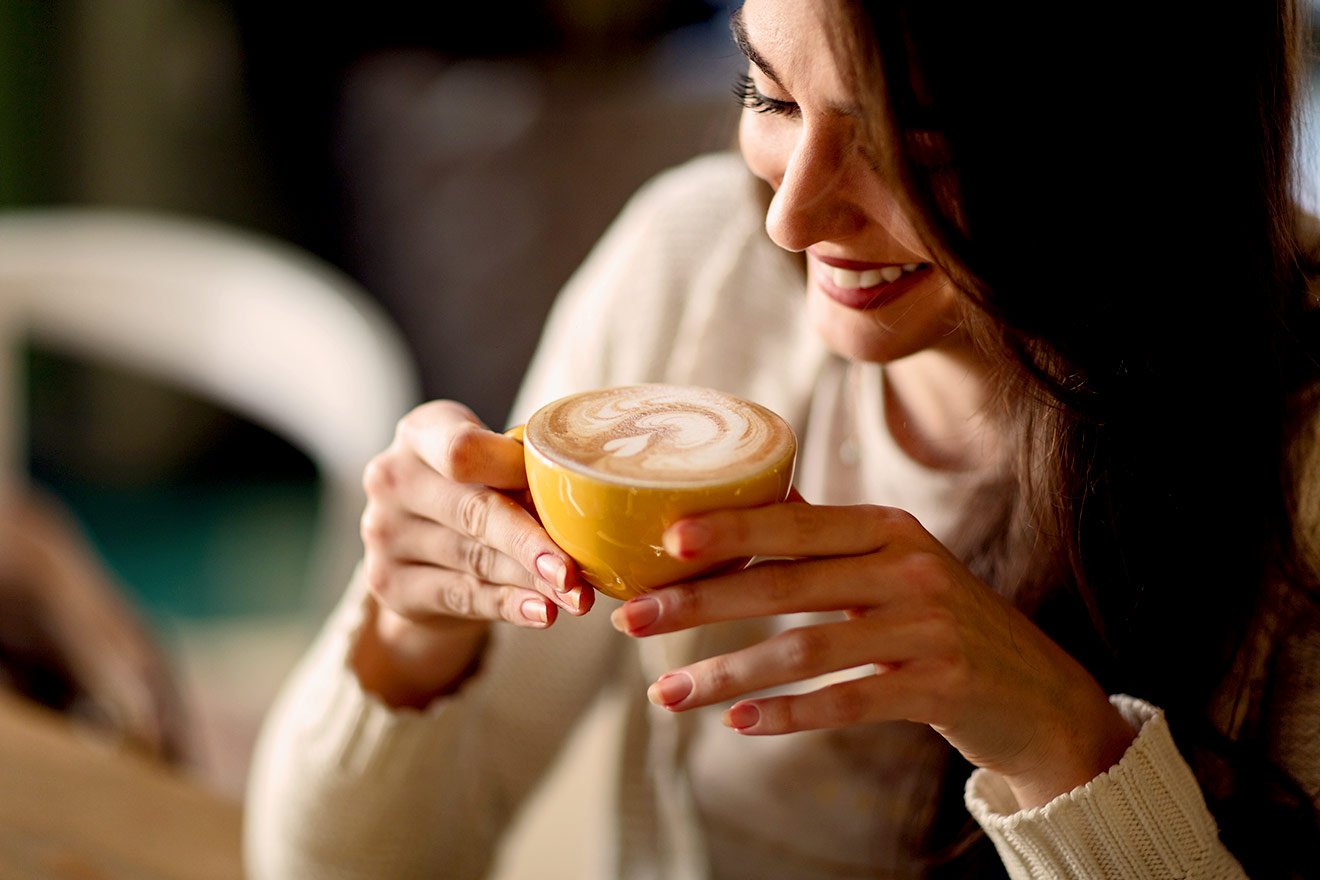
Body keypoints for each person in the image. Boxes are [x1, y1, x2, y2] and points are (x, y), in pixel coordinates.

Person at [244, 1, 1320, 877]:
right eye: (769, 93)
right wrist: (411, 635)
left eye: (914, 135)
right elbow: (326, 867)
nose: (790, 217)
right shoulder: (693, 272)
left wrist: (1060, 744)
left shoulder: (1299, 455)